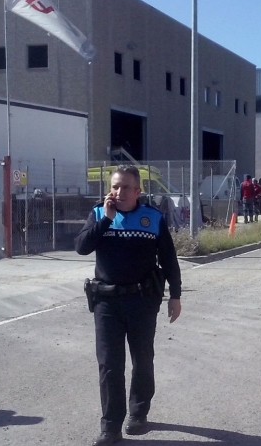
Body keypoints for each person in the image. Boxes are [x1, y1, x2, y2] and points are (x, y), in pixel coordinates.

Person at [74, 166, 182, 446]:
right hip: (106, 303)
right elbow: (82, 247)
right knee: (109, 365)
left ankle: (138, 413)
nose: (118, 192)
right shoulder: (99, 214)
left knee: (143, 360)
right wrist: (106, 220)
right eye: (115, 186)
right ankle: (110, 425)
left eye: (125, 187)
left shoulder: (153, 218)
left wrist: (176, 296)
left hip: (142, 301)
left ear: (138, 191)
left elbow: (169, 259)